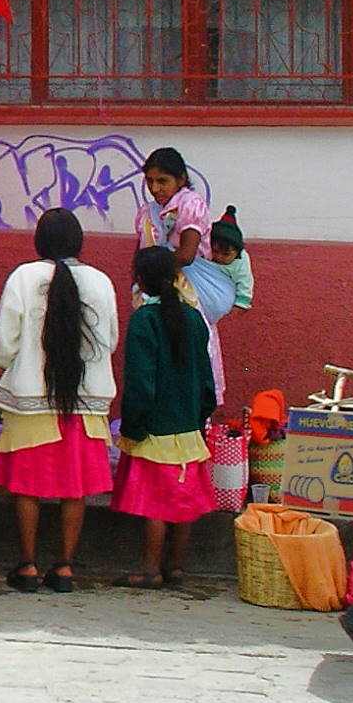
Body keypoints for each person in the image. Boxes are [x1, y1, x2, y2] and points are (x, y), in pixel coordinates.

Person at [0, 208, 119, 593]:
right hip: (85, 403)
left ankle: (27, 565)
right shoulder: (100, 281)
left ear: (39, 242)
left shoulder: (23, 278)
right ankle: (64, 568)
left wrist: (13, 363)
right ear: (79, 242)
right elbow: (109, 339)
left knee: (27, 486)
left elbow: (4, 344)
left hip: (31, 399)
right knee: (74, 488)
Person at [113, 246, 218, 589]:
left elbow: (140, 382)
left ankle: (149, 569)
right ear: (175, 277)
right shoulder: (193, 318)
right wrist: (200, 416)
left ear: (140, 281)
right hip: (188, 428)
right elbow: (207, 378)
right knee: (182, 502)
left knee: (156, 505)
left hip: (155, 428)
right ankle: (175, 568)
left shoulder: (144, 320)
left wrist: (133, 425)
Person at [134, 146, 226, 398]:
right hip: (155, 290)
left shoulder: (190, 204)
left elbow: (186, 254)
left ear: (182, 179)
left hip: (188, 292)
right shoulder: (147, 212)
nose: (155, 188)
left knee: (190, 349)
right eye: (150, 181)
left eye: (162, 181)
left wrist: (153, 269)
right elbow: (139, 254)